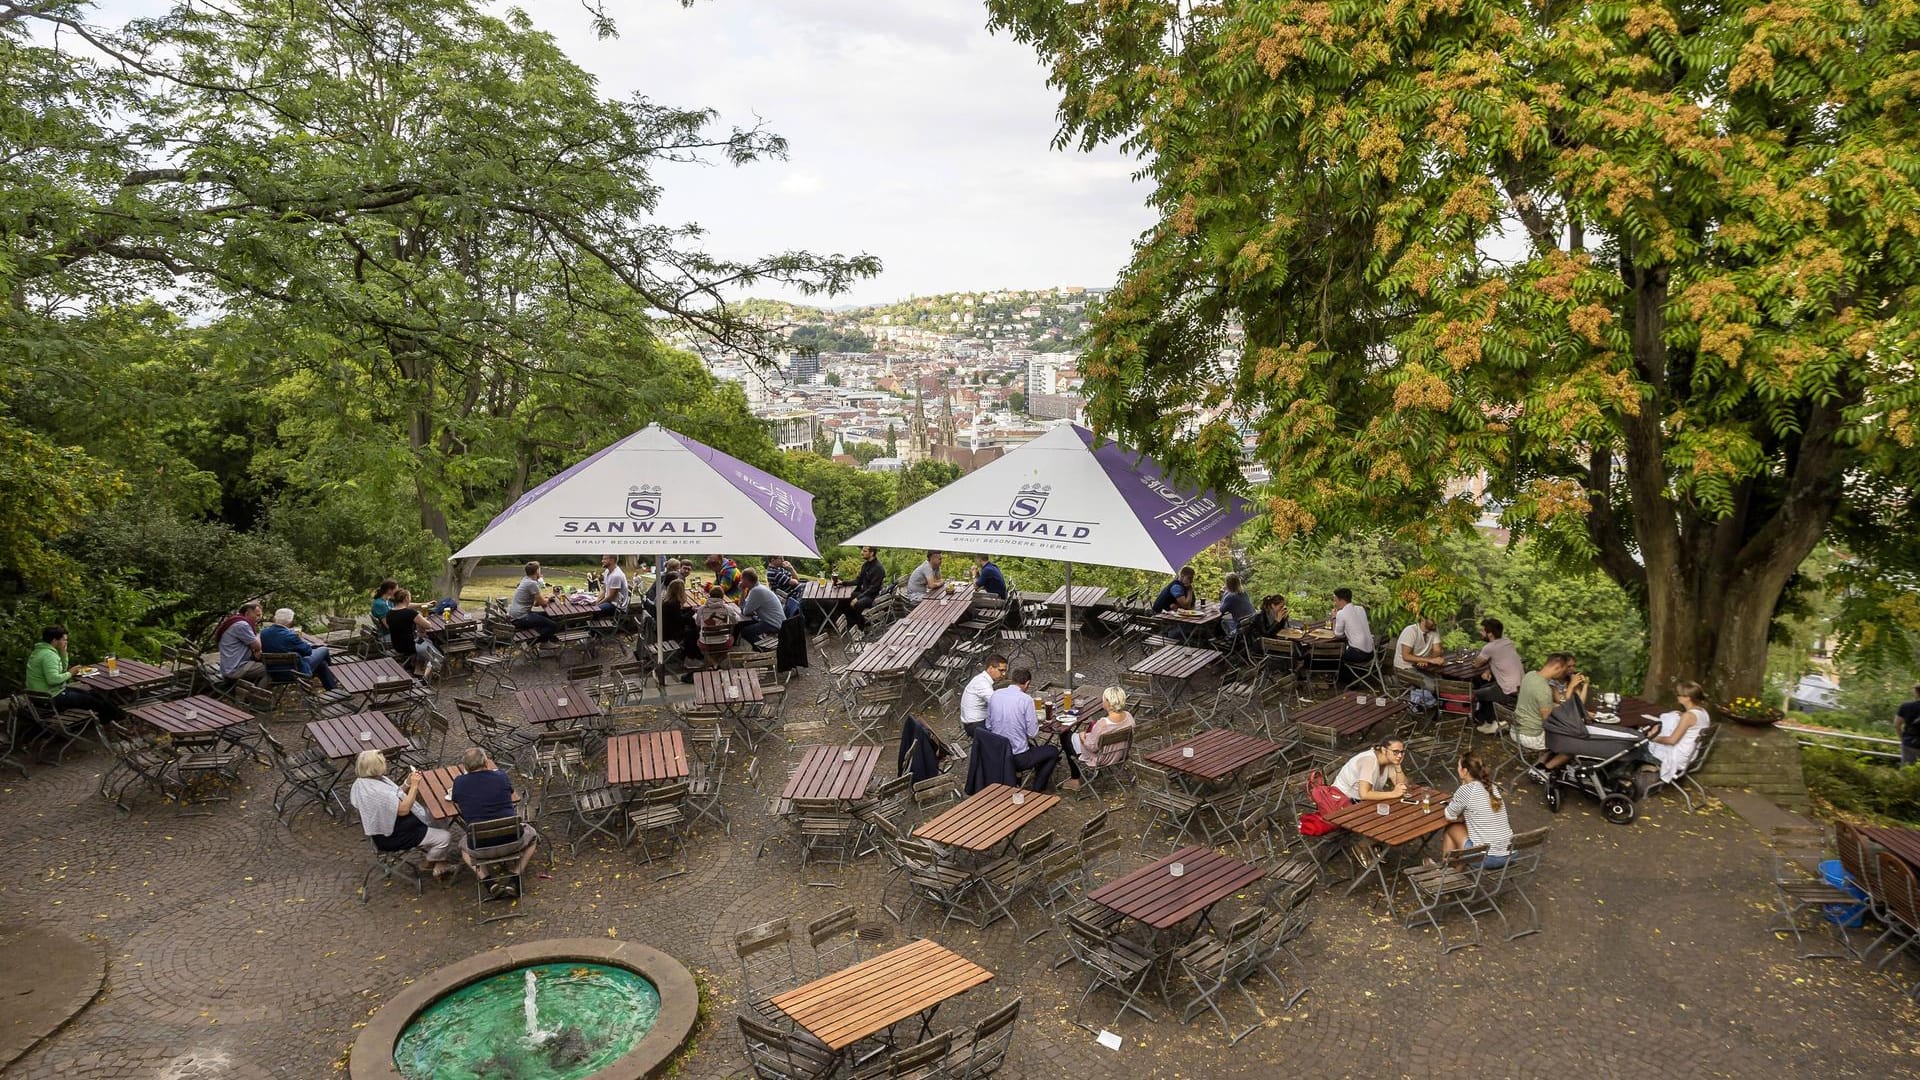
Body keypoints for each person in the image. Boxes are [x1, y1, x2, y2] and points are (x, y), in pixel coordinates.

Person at [349, 750, 455, 876]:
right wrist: (415, 786)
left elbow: (394, 796)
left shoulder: (365, 782)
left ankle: (438, 857)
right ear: (375, 767)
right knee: (445, 838)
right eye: (383, 762)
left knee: (437, 815)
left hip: (392, 824)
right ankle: (429, 863)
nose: (386, 763)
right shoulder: (376, 792)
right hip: (392, 835)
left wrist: (407, 783)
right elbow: (404, 809)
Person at [451, 747, 538, 895]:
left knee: (463, 847)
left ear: (465, 767)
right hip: (512, 839)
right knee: (534, 836)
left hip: (480, 846)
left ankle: (487, 880)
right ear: (486, 761)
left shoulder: (459, 782)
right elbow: (510, 796)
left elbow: (459, 807)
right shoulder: (501, 776)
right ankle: (515, 876)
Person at [984, 667, 1060, 790]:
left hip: (997, 753)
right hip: (1018, 758)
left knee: (1034, 748)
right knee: (1052, 751)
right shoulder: (1026, 700)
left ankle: (1017, 779)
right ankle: (1037, 789)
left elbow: (988, 725)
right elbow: (1032, 733)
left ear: (1012, 680)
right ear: (1027, 683)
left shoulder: (995, 695)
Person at [1634, 680, 1713, 795]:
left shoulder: (1688, 716)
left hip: (1677, 758)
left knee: (1635, 745)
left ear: (1687, 698)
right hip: (1692, 755)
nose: (1677, 697)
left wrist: (1651, 737)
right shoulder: (1703, 712)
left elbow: (1672, 740)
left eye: (1679, 695)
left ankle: (1624, 781)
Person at [1514, 652, 1586, 774]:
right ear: (1557, 667)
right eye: (1563, 669)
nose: (1564, 673)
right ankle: (1544, 771)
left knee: (1559, 737)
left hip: (1516, 729)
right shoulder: (1544, 689)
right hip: (1530, 736)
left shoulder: (1530, 675)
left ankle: (1539, 765)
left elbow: (1536, 702)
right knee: (1572, 745)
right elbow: (1548, 720)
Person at [24, 625, 113, 719]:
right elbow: (53, 680)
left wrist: (63, 653)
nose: (66, 642)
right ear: (55, 640)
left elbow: (61, 671)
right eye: (64, 640)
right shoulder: (49, 656)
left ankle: (114, 717)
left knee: (92, 694)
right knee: (93, 700)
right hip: (51, 698)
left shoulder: (40, 651)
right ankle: (112, 719)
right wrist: (71, 673)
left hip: (45, 695)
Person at [1059, 685, 1135, 793]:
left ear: (1108, 702)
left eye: (1103, 699)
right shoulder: (1128, 717)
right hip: (1118, 754)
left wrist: (1082, 736)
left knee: (1065, 735)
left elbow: (1091, 747)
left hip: (1101, 757)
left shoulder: (1103, 724)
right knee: (1077, 734)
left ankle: (1075, 779)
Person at [1441, 751, 1512, 865]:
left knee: (1451, 829)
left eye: (1458, 767)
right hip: (1509, 853)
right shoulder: (1492, 787)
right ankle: (1452, 872)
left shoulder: (1467, 790)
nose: (1457, 769)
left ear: (1464, 771)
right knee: (1467, 831)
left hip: (1488, 858)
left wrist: (1459, 815)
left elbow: (1449, 815)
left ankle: (1444, 873)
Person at [259, 608, 340, 690]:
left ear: (275, 619)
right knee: (324, 649)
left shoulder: (263, 633)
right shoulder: (291, 635)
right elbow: (308, 651)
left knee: (322, 664)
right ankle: (334, 675)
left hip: (274, 673)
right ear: (290, 621)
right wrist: (302, 641)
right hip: (297, 672)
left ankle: (334, 690)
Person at [1471, 618, 1524, 734]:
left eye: (1482, 631)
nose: (1480, 633)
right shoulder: (1507, 642)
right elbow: (1500, 660)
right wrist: (1489, 670)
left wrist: (1484, 666)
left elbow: (1476, 664)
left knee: (1476, 693)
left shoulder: (1489, 647)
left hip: (1508, 690)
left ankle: (1494, 722)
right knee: (1484, 688)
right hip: (1520, 686)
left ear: (1489, 633)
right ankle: (1488, 721)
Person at [385, 589, 444, 678]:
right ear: (405, 599)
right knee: (435, 653)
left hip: (397, 645)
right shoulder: (410, 613)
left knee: (424, 640)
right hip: (410, 646)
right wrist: (423, 618)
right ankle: (427, 676)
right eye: (409, 598)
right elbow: (428, 625)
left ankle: (419, 671)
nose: (410, 600)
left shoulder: (390, 613)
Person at [1332, 738, 1407, 802]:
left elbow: (1402, 786)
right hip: (1343, 801)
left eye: (1401, 752)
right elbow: (1364, 794)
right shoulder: (1368, 761)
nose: (1400, 755)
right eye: (1395, 752)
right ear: (1384, 750)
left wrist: (1398, 766)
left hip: (1361, 801)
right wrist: (1393, 794)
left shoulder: (1389, 760)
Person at [1330, 587, 1375, 685]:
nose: (1335, 603)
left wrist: (1334, 618)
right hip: (1371, 652)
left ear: (1341, 600)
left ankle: (1347, 682)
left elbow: (1337, 634)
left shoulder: (1342, 613)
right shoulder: (1360, 609)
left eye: (1335, 600)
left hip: (1359, 654)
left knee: (1335, 656)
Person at [218, 601, 270, 685]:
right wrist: (259, 635)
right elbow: (257, 645)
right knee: (270, 670)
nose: (259, 618)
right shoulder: (242, 625)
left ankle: (247, 691)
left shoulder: (235, 621)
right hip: (235, 668)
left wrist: (256, 649)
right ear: (247, 614)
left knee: (260, 662)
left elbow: (254, 646)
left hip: (228, 665)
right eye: (257, 615)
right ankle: (256, 695)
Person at [507, 561, 559, 643]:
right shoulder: (532, 584)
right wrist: (549, 597)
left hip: (517, 614)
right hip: (520, 617)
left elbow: (536, 603)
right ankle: (534, 643)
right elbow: (543, 603)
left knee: (550, 616)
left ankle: (546, 638)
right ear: (537, 571)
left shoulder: (526, 579)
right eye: (539, 570)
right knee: (552, 625)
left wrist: (545, 597)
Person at [960, 653, 1009, 739]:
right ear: (990, 668)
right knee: (1008, 732)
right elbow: (997, 703)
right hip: (975, 725)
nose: (1004, 674)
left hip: (979, 720)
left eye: (1004, 671)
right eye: (1001, 670)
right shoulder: (982, 683)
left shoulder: (982, 679)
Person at [1394, 615, 1445, 690]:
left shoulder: (1434, 631)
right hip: (1404, 669)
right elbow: (1406, 656)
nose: (1436, 622)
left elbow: (1437, 650)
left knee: (1443, 681)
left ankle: (1442, 701)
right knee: (1434, 686)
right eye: (1432, 619)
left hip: (1422, 667)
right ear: (1422, 619)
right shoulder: (1411, 631)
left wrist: (1425, 660)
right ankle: (1432, 701)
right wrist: (1429, 660)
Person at [737, 569, 786, 646]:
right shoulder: (757, 588)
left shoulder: (756, 591)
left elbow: (745, 611)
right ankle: (761, 646)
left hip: (773, 624)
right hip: (772, 620)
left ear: (746, 580)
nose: (741, 582)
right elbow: (742, 606)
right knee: (742, 624)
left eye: (742, 579)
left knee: (745, 632)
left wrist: (743, 592)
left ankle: (764, 647)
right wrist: (743, 591)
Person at [847, 546, 887, 628]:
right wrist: (843, 583)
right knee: (846, 597)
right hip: (864, 593)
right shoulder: (865, 565)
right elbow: (858, 580)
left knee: (858, 603)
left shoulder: (878, 568)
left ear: (872, 553)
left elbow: (873, 588)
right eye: (862, 550)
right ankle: (851, 624)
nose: (862, 553)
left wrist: (857, 598)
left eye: (865, 551)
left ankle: (861, 628)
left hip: (873, 596)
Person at [594, 553, 629, 618]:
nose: (602, 561)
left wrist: (598, 604)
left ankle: (594, 627)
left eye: (604, 559)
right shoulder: (607, 571)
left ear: (612, 560)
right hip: (610, 602)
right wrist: (597, 601)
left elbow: (611, 597)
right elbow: (604, 589)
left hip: (617, 607)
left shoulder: (616, 575)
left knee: (593, 611)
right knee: (591, 606)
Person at [1898, 683, 1920, 768]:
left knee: (1907, 771)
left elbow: (1897, 725)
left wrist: (1902, 738)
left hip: (1909, 743)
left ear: (1917, 693)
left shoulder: (1906, 706)